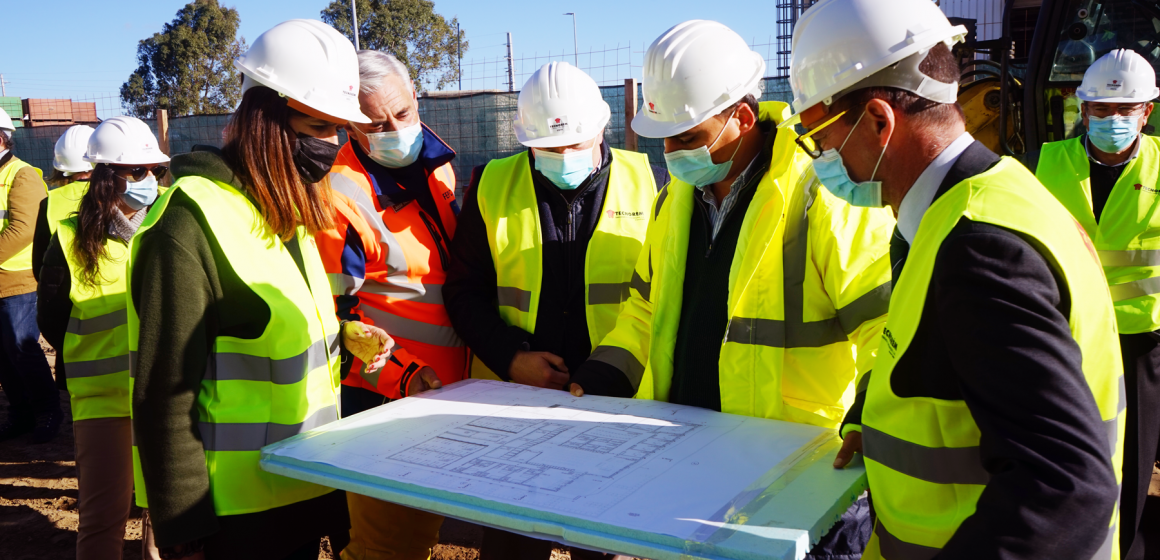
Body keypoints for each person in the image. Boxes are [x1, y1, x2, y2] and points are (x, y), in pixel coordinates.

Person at [787, 0, 1125, 557]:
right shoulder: (983, 202)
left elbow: (1064, 488)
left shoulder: (978, 248)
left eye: (818, 136)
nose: (818, 156)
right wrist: (873, 413)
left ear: (878, 120)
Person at [568, 21, 894, 557]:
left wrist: (868, 414)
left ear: (742, 117)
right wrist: (603, 375)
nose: (671, 152)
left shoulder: (822, 195)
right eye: (665, 137)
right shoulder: (674, 201)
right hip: (685, 463)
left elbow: (887, 322)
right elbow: (644, 312)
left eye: (688, 136)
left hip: (800, 472)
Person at [127, 20, 393, 560]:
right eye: (318, 127)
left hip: (302, 487)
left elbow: (259, 331)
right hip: (235, 518)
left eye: (337, 130)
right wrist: (183, 530)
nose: (330, 146)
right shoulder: (186, 225)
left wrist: (341, 335)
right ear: (266, 118)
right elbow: (163, 397)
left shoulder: (281, 212)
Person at [443, 60, 668, 560]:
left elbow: (660, 297)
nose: (563, 156)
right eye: (548, 148)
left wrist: (608, 376)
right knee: (510, 545)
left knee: (602, 543)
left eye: (574, 144)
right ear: (527, 140)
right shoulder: (492, 184)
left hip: (613, 406)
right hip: (514, 409)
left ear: (601, 129)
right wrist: (511, 358)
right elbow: (463, 292)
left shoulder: (649, 183)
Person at [315, 49, 463, 560]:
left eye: (402, 113)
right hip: (388, 398)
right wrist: (400, 375)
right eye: (375, 123)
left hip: (444, 393)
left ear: (416, 97)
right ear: (352, 127)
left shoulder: (437, 168)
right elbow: (337, 317)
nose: (395, 129)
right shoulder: (339, 195)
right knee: (384, 549)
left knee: (414, 542)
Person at [1035, 48, 1160, 560]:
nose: (1113, 120)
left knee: (1133, 462)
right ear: (1082, 110)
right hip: (1070, 338)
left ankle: (1125, 549)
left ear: (1146, 112)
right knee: (1066, 456)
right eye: (1102, 111)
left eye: (1125, 110)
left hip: (1140, 344)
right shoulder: (1046, 163)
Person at [36, 116, 168, 560]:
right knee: (102, 517)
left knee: (165, 512)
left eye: (155, 171)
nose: (149, 180)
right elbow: (52, 319)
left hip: (163, 397)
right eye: (136, 171)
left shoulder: (170, 229)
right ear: (106, 176)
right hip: (104, 402)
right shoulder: (71, 240)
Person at [0, 106, 61, 444]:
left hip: (18, 281)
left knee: (22, 348)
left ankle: (48, 411)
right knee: (3, 356)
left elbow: (23, 229)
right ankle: (20, 414)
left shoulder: (23, 175)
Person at [33, 124, 95, 282]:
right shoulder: (123, 193)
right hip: (121, 296)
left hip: (67, 296)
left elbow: (39, 264)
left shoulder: (50, 202)